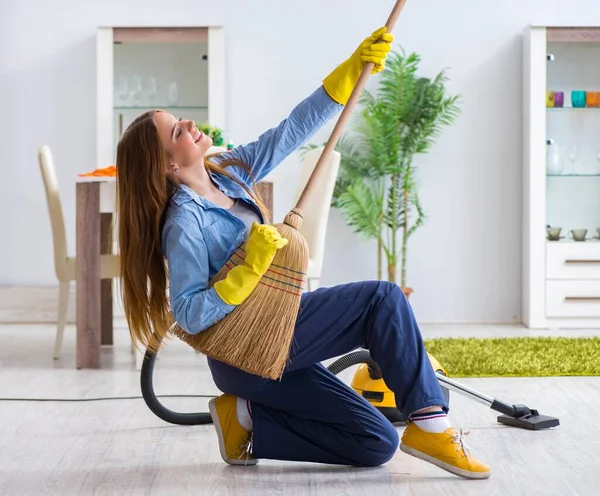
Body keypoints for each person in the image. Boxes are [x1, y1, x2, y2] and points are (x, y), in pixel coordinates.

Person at [116, 27, 491, 480]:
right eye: (177, 129)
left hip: (278, 334)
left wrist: (350, 73)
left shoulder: (229, 172)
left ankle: (247, 418)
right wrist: (247, 269)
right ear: (167, 165)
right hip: (244, 353)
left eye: (182, 120)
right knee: (382, 300)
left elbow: (292, 130)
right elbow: (190, 313)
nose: (191, 124)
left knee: (377, 441)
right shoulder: (184, 224)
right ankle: (433, 424)